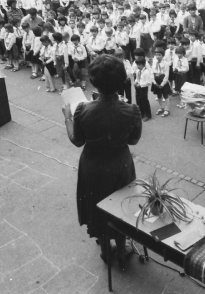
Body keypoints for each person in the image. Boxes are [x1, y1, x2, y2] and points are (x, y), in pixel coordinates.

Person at [62, 54, 142, 264]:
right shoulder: (132, 110)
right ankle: (122, 248)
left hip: (93, 165)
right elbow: (133, 140)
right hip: (120, 164)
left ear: (93, 81)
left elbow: (77, 140)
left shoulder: (82, 109)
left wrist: (68, 118)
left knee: (97, 204)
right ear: (122, 81)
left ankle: (106, 249)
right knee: (122, 205)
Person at [150, 48, 172, 117]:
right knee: (159, 95)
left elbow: (166, 75)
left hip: (163, 82)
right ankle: (161, 107)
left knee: (165, 95)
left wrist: (162, 84)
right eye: (156, 54)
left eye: (159, 55)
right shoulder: (154, 64)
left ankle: (167, 109)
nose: (157, 56)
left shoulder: (166, 64)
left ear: (163, 56)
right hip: (156, 82)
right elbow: (152, 73)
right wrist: (154, 83)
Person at [134, 56, 152, 122]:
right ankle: (141, 113)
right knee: (138, 101)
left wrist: (140, 85)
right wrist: (135, 82)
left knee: (144, 101)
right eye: (137, 65)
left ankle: (148, 115)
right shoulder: (138, 71)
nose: (138, 66)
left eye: (139, 65)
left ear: (143, 64)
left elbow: (149, 82)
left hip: (143, 88)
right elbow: (137, 78)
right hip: (138, 87)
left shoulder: (146, 72)